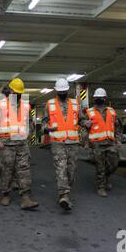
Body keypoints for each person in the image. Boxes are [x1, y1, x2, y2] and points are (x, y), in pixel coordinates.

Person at [0, 78, 39, 210]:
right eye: (16, 92)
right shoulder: (1, 105)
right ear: (11, 91)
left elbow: (30, 122)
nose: (18, 95)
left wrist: (28, 134)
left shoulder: (25, 105)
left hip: (22, 143)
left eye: (20, 93)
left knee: (24, 169)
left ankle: (25, 197)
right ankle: (5, 194)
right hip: (6, 144)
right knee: (7, 169)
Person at [43, 78, 81, 211]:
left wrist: (85, 123)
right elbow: (44, 122)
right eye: (60, 91)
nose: (63, 93)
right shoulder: (50, 104)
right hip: (57, 143)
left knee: (71, 170)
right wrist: (46, 128)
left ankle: (66, 191)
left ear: (68, 90)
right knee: (61, 168)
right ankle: (63, 195)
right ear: (56, 91)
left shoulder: (76, 104)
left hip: (73, 142)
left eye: (64, 91)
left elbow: (81, 119)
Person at [82, 88, 122, 197]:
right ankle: (101, 187)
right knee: (100, 166)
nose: (99, 99)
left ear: (105, 98)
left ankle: (105, 178)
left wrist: (118, 140)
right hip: (97, 144)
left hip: (110, 143)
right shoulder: (89, 112)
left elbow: (118, 127)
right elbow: (85, 129)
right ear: (94, 99)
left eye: (101, 98)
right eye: (97, 98)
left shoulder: (112, 111)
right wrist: (85, 142)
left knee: (114, 164)